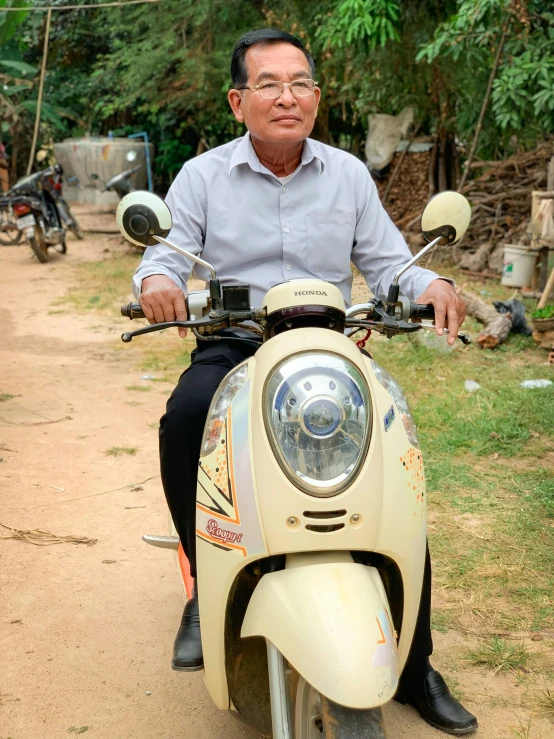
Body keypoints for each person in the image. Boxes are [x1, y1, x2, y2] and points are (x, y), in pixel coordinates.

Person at [133, 29, 476, 735]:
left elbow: (389, 264)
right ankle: (205, 581)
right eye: (268, 84)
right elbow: (163, 259)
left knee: (393, 466)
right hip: (237, 345)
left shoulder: (348, 174)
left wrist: (430, 280)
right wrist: (161, 281)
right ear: (239, 101)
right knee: (186, 416)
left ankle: (415, 666)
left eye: (300, 83)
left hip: (331, 345)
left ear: (316, 97)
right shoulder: (201, 177)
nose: (287, 96)